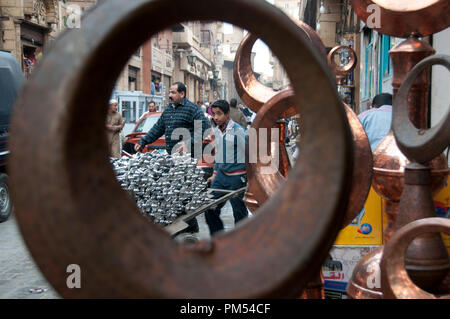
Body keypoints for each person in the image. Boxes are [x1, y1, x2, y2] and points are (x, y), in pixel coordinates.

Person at [134, 82, 211, 233]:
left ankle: (190, 225)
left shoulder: (192, 109)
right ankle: (186, 226)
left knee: (181, 192)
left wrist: (188, 141)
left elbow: (205, 128)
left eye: (173, 92)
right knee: (175, 192)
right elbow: (158, 128)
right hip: (171, 158)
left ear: (182, 94)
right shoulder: (168, 109)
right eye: (169, 92)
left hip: (186, 159)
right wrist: (143, 141)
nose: (170, 95)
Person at [205, 100, 248, 236]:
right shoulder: (218, 131)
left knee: (239, 213)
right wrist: (214, 173)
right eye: (214, 114)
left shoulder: (238, 131)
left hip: (237, 178)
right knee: (210, 208)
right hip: (221, 177)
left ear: (227, 114)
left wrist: (250, 178)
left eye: (219, 114)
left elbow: (250, 155)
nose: (215, 117)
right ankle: (219, 239)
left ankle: (241, 243)